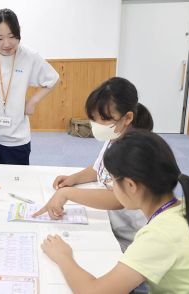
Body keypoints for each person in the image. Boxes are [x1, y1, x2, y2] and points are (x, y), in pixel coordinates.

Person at [41, 129, 189, 293]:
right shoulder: (184, 206)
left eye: (112, 181)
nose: (111, 187)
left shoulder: (159, 236)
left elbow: (92, 291)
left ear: (130, 185)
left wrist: (63, 256)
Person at [34, 77, 154, 251]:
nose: (97, 126)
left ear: (127, 117)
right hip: (110, 221)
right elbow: (98, 168)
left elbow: (119, 200)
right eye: (93, 119)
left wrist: (68, 193)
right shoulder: (114, 136)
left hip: (132, 237)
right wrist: (74, 179)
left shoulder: (136, 152)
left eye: (104, 120)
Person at [0, 8, 59, 165]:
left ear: (19, 31)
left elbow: (53, 79)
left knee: (17, 184)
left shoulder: (29, 57)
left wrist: (33, 101)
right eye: (0, 38)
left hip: (16, 138)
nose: (6, 44)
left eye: (11, 36)